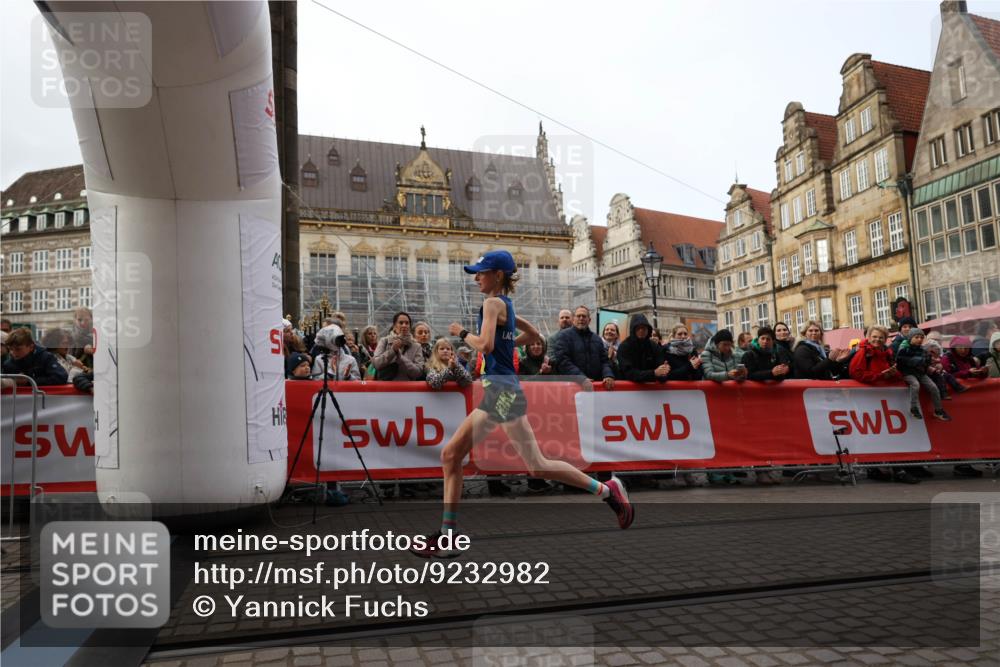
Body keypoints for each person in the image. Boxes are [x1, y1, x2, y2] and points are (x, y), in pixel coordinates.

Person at [410, 250, 633, 558]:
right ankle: (608, 491)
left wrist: (461, 332)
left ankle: (448, 537)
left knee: (453, 455)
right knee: (533, 465)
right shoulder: (506, 305)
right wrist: (506, 345)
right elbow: (534, 335)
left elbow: (485, 344)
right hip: (504, 390)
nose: (476, 278)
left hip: (501, 392)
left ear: (498, 275)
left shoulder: (492, 304)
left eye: (481, 273)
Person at [551, 306, 615, 390]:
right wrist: (581, 378)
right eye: (578, 316)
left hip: (595, 388)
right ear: (573, 319)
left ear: (589, 320)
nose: (581, 318)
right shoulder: (563, 336)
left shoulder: (597, 339)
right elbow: (562, 361)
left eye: (584, 316)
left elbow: (604, 361)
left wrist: (608, 375)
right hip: (572, 388)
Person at [895, 328, 950, 421]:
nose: (919, 339)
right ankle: (914, 408)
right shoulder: (904, 349)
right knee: (915, 385)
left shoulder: (923, 350)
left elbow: (926, 362)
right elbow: (901, 361)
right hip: (908, 373)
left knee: (933, 387)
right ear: (910, 338)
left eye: (921, 337)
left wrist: (931, 361)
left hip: (920, 373)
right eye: (916, 337)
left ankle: (938, 410)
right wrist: (919, 361)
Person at [2, 328, 69, 386]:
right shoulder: (8, 364)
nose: (13, 352)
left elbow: (61, 377)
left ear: (31, 347)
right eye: (10, 349)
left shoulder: (45, 358)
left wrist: (29, 381)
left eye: (18, 349)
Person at [371, 312, 425, 381]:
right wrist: (392, 351)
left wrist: (400, 358)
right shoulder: (384, 341)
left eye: (407, 323)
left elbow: (418, 372)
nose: (404, 325)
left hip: (407, 386)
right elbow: (376, 364)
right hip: (386, 386)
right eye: (401, 323)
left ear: (410, 327)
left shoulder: (416, 346)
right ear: (394, 326)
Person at [616, 314, 669, 384]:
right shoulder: (624, 347)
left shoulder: (654, 346)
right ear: (633, 330)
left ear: (648, 330)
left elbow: (660, 369)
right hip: (628, 388)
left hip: (651, 388)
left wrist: (663, 372)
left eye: (644, 328)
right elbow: (629, 373)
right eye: (638, 328)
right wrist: (653, 373)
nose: (641, 330)